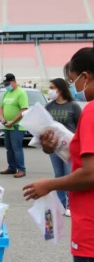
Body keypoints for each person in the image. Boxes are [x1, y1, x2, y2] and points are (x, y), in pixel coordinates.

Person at [23, 47, 94, 262]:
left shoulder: (90, 111)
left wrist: (50, 185)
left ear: (85, 76)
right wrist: (55, 147)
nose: (74, 87)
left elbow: (90, 173)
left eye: (73, 80)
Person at [46, 78, 82, 216]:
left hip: (69, 147)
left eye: (52, 87)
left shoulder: (73, 106)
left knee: (69, 176)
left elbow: (80, 126)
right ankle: (61, 205)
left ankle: (71, 206)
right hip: (54, 147)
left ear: (60, 89)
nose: (50, 90)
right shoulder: (49, 106)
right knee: (58, 176)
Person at [0, 73, 29, 178]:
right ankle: (11, 167)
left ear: (14, 81)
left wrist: (13, 121)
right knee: (9, 148)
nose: (6, 85)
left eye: (8, 83)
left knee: (17, 148)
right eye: (5, 84)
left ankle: (21, 169)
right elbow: (1, 107)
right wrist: (2, 118)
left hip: (17, 126)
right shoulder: (6, 93)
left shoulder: (21, 93)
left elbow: (23, 109)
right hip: (7, 125)